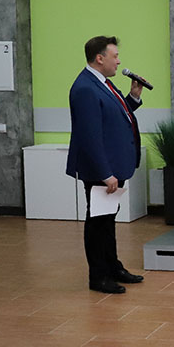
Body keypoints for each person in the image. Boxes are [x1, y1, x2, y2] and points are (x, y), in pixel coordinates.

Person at [66, 36, 146, 294]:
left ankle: (113, 267)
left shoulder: (103, 83)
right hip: (101, 170)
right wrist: (105, 173)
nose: (119, 61)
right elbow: (89, 136)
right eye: (115, 56)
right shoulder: (85, 88)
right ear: (100, 58)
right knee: (98, 223)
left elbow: (116, 117)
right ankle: (98, 277)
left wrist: (133, 98)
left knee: (108, 220)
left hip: (112, 166)